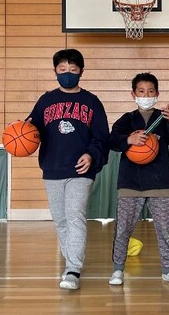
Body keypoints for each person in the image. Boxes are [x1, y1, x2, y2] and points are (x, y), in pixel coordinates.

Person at [26, 49, 109, 290]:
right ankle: (70, 261)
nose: (68, 74)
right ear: (55, 72)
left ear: (82, 71)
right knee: (61, 220)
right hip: (52, 168)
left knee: (74, 216)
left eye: (73, 70)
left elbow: (102, 136)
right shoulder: (45, 101)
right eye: (62, 70)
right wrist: (19, 134)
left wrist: (91, 155)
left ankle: (73, 268)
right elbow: (30, 131)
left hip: (81, 170)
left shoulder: (91, 102)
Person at [108, 72, 169, 286]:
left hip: (160, 183)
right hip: (130, 183)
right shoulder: (126, 119)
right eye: (141, 91)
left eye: (151, 91)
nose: (146, 95)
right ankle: (117, 269)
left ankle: (168, 270)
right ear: (133, 94)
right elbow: (112, 141)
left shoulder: (163, 119)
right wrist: (129, 139)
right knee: (123, 228)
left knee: (166, 229)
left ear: (157, 94)